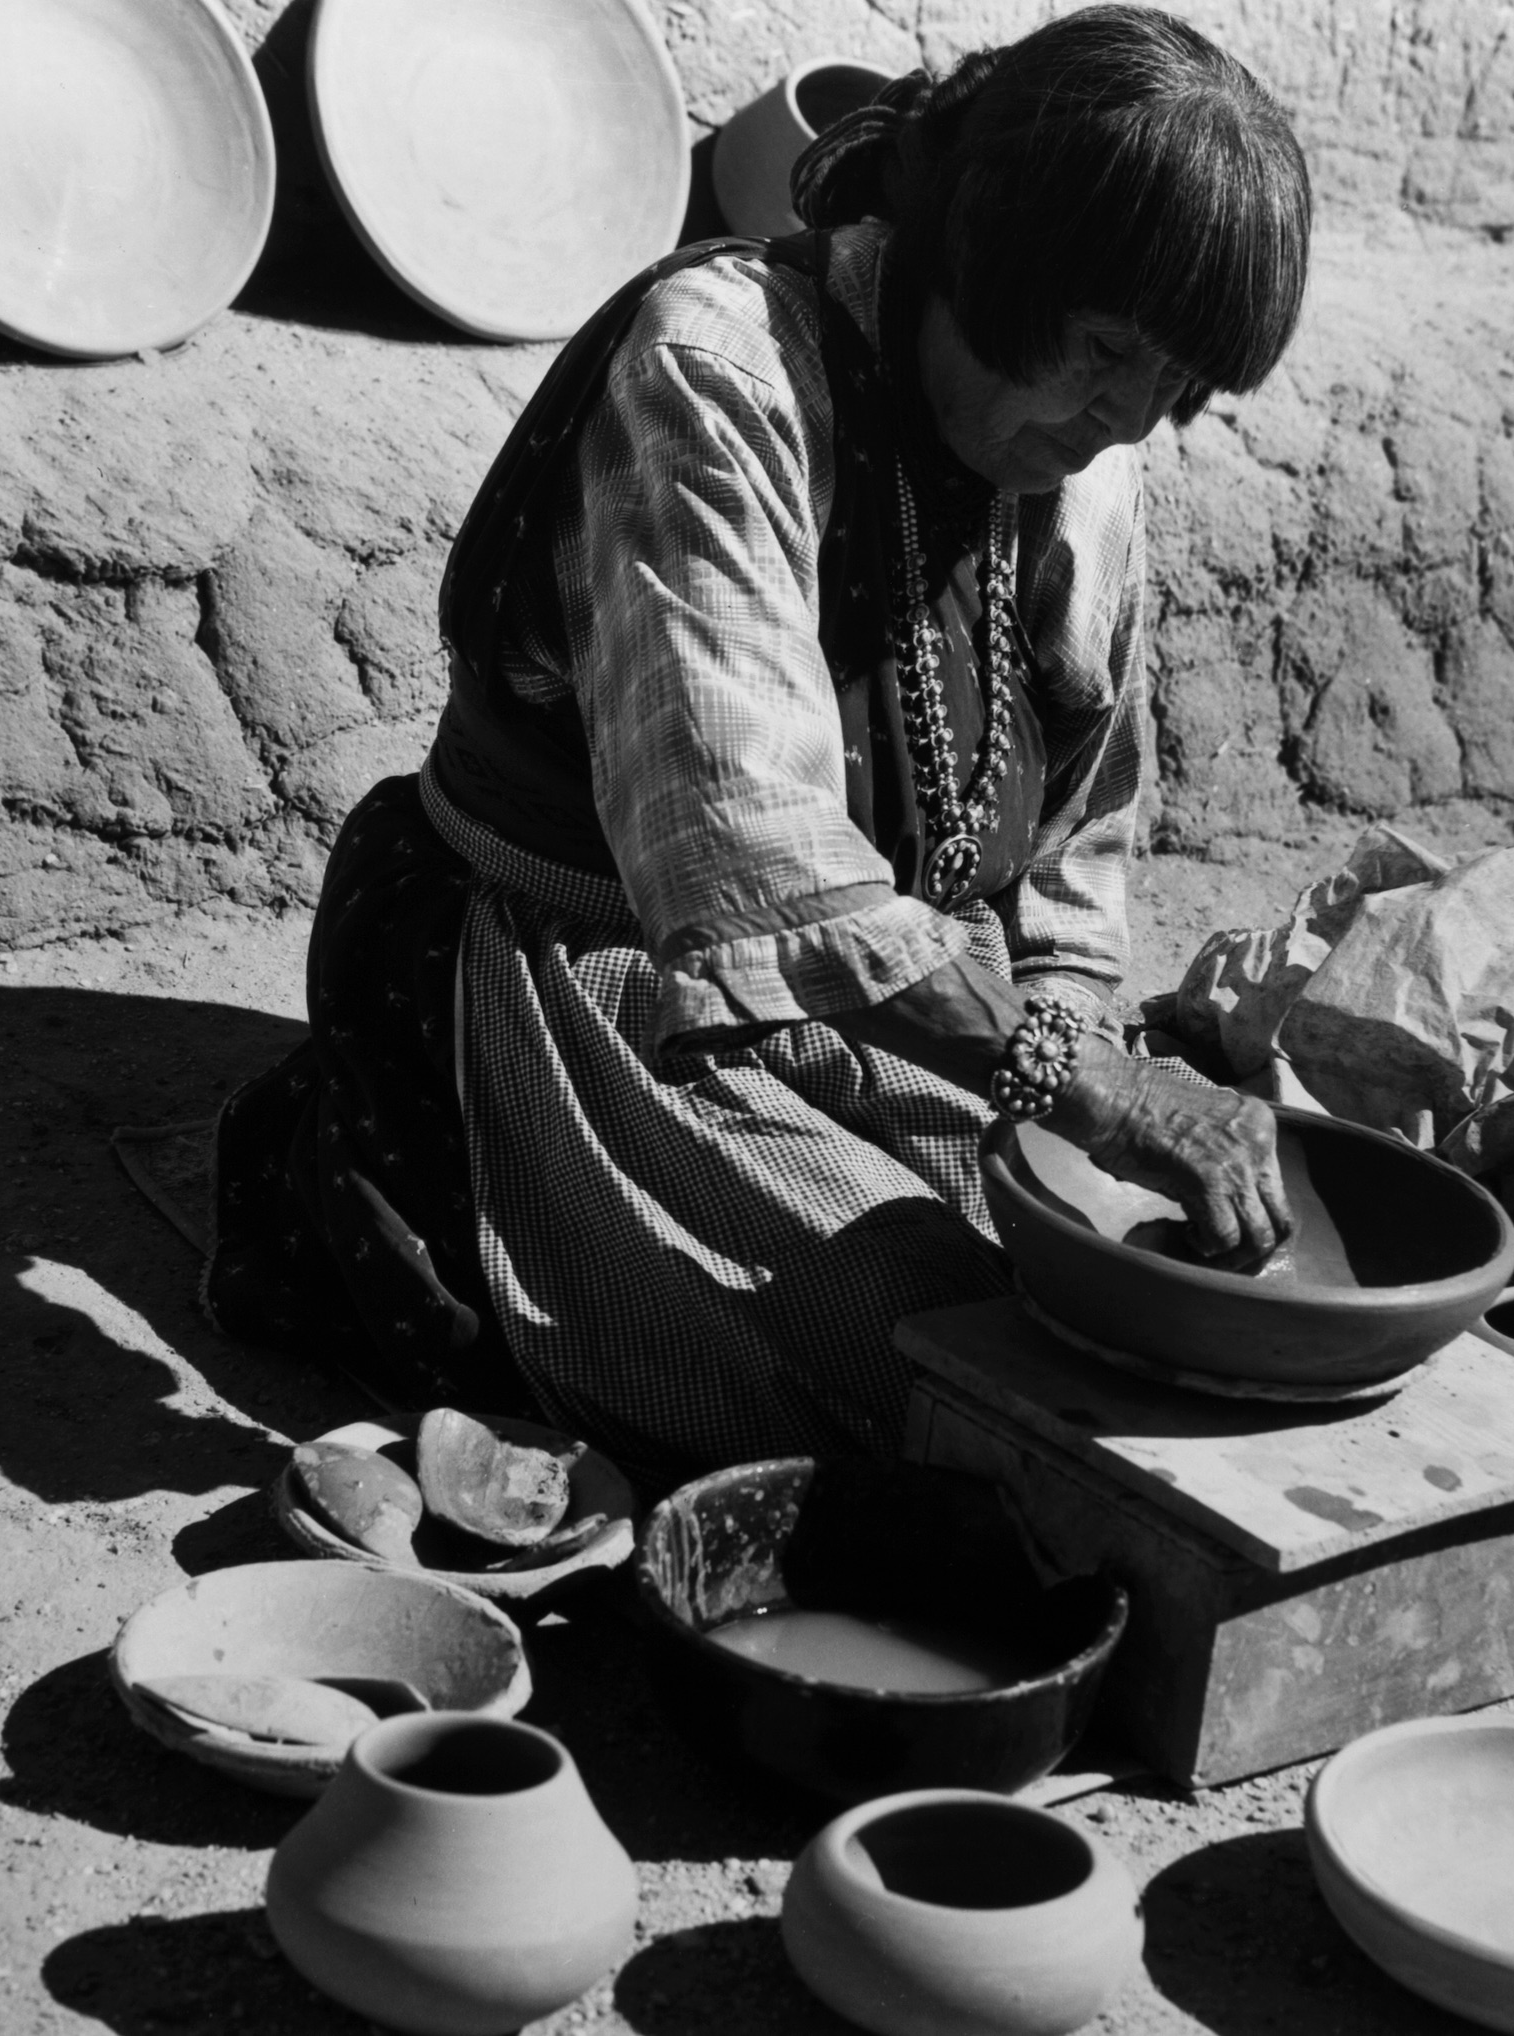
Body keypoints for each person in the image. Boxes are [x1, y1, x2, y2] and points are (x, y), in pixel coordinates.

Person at [206, 4, 1315, 1489]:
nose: (1125, 421)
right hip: (598, 970)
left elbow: (1076, 837)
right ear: (992, 255)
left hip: (899, 1000)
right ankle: (408, 1164)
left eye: (1173, 390)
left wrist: (1070, 1060)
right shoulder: (723, 368)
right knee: (931, 1366)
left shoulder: (1083, 474)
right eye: (1107, 351)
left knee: (1111, 1292)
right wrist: (1073, 1078)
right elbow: (740, 853)